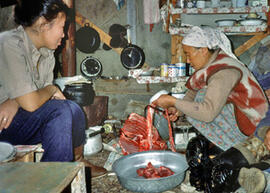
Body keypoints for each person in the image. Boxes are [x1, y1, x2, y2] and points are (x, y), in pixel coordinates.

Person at [152, 26, 269, 192]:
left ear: (203, 50)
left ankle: (252, 169)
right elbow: (193, 91)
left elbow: (207, 113)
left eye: (188, 53)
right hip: (243, 127)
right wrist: (179, 109)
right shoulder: (213, 63)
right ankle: (239, 166)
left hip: (259, 136)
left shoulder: (224, 72)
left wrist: (173, 101)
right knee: (197, 148)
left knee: (221, 170)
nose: (187, 60)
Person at [0, 0, 107, 178]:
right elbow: (33, 102)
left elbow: (35, 101)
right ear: (43, 25)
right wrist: (51, 88)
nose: (64, 35)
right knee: (61, 111)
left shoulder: (47, 54)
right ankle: (52, 179)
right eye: (62, 27)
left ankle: (76, 159)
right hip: (4, 126)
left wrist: (16, 101)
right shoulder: (10, 44)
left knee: (73, 109)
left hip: (18, 118)